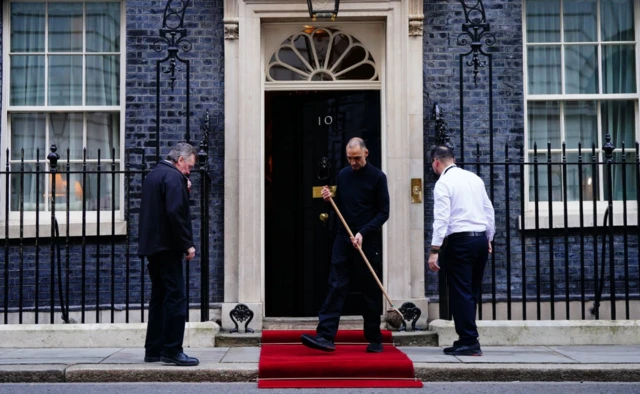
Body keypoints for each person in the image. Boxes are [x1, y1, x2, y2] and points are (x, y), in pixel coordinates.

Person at [301, 137, 390, 353]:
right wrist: (328, 199)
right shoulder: (343, 175)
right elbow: (339, 206)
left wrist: (362, 233)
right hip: (343, 238)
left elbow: (383, 212)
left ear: (366, 154)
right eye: (350, 158)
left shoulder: (378, 177)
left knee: (369, 289)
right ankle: (325, 336)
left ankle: (374, 338)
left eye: (357, 158)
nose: (353, 162)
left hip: (366, 240)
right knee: (336, 284)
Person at [428, 145, 495, 356]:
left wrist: (434, 249)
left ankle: (469, 341)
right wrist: (489, 238)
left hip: (460, 242)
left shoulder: (443, 183)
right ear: (453, 159)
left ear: (436, 162)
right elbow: (488, 210)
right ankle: (465, 338)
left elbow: (442, 219)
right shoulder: (474, 179)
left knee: (461, 292)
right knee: (470, 292)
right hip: (480, 240)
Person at [138, 142, 200, 366]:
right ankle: (172, 350)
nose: (189, 171)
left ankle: (153, 349)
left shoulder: (154, 174)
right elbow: (175, 212)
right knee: (176, 297)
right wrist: (187, 244)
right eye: (189, 166)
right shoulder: (174, 177)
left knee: (159, 297)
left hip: (152, 247)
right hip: (168, 246)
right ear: (180, 160)